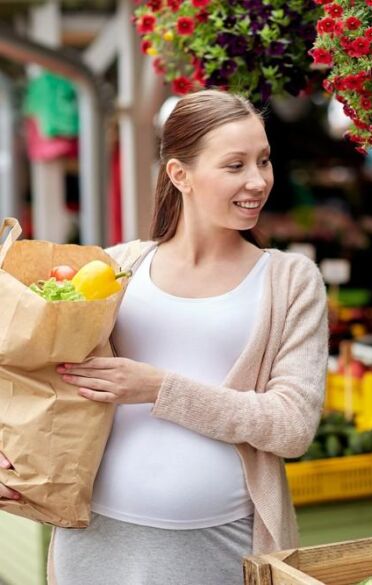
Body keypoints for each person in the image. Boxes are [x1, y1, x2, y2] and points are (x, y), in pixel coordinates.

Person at [0, 89, 329, 585]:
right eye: (235, 165)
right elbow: (31, 371)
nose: (258, 181)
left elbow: (292, 427)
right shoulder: (114, 268)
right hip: (97, 540)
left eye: (264, 161)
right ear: (180, 175)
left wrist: (158, 389)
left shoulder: (290, 281)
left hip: (219, 544)